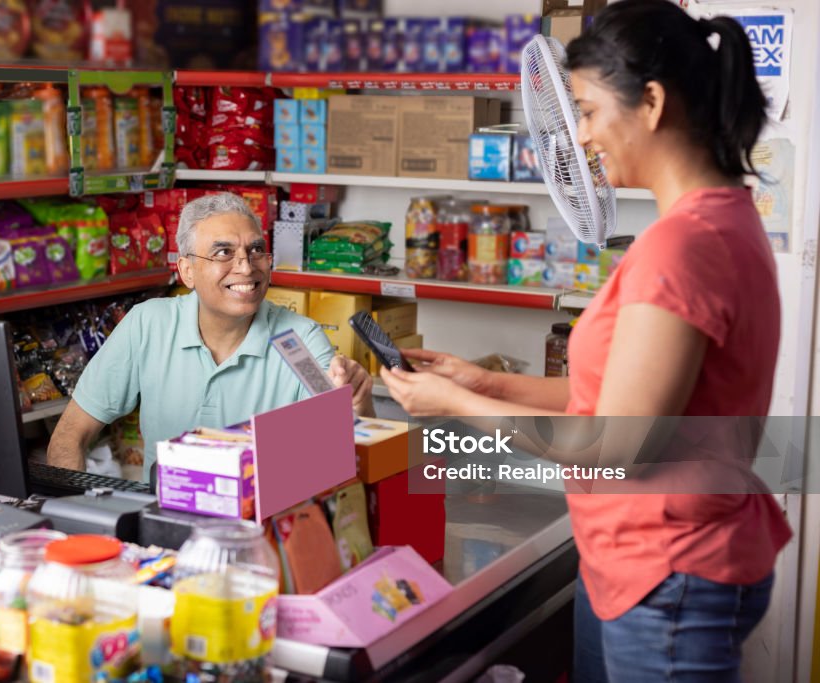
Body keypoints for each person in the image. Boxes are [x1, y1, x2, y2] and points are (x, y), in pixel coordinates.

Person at [380, 1, 791, 681]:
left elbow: (613, 446)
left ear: (652, 103)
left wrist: (454, 409)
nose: (581, 136)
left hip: (667, 574)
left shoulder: (680, 246)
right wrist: (481, 381)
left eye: (591, 111)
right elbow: (616, 394)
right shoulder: (722, 218)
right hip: (654, 562)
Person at [49, 192, 374, 479]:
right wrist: (75, 523)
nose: (246, 268)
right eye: (223, 253)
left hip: (258, 527)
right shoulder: (148, 325)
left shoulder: (298, 341)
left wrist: (358, 405)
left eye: (256, 250)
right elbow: (70, 435)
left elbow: (344, 451)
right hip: (163, 519)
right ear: (186, 271)